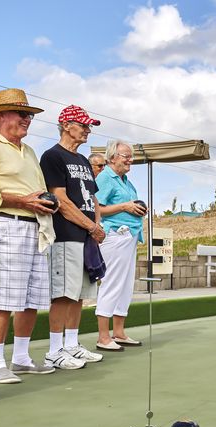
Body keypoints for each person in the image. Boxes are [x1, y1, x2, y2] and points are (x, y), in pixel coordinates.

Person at [0, 88, 58, 384]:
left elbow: (37, 190)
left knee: (32, 297)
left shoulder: (29, 151)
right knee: (4, 297)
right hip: (6, 224)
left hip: (36, 227)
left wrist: (42, 203)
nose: (27, 119)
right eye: (22, 114)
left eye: (29, 115)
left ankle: (20, 358)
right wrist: (23, 201)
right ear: (1, 115)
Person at [41, 105, 105, 368]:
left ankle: (72, 344)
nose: (88, 130)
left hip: (86, 236)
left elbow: (92, 197)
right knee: (63, 294)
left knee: (79, 293)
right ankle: (55, 350)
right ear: (67, 125)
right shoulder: (52, 156)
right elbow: (61, 201)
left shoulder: (83, 160)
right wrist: (90, 227)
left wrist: (96, 226)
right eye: (84, 125)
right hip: (65, 234)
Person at [94, 139, 146, 350]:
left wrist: (137, 208)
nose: (130, 160)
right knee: (112, 282)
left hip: (129, 236)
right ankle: (103, 337)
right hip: (114, 236)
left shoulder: (125, 180)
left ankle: (119, 332)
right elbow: (98, 209)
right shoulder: (106, 177)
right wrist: (126, 205)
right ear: (112, 157)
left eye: (130, 156)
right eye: (126, 156)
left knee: (125, 285)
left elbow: (127, 205)